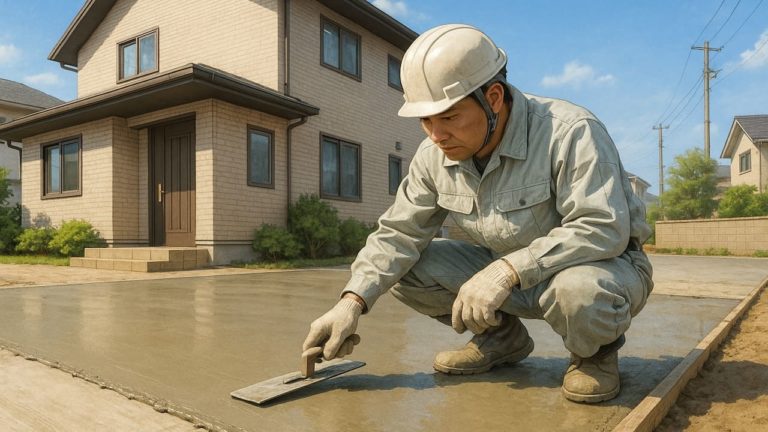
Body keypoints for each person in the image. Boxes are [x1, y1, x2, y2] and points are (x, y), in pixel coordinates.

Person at [302, 23, 653, 403]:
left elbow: (603, 228)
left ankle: (594, 354)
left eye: (448, 117)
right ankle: (501, 338)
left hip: (603, 268)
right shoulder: (432, 157)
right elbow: (397, 235)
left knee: (579, 291)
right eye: (425, 121)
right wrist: (350, 303)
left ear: (494, 97)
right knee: (403, 268)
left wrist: (507, 270)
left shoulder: (570, 131)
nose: (435, 135)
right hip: (507, 275)